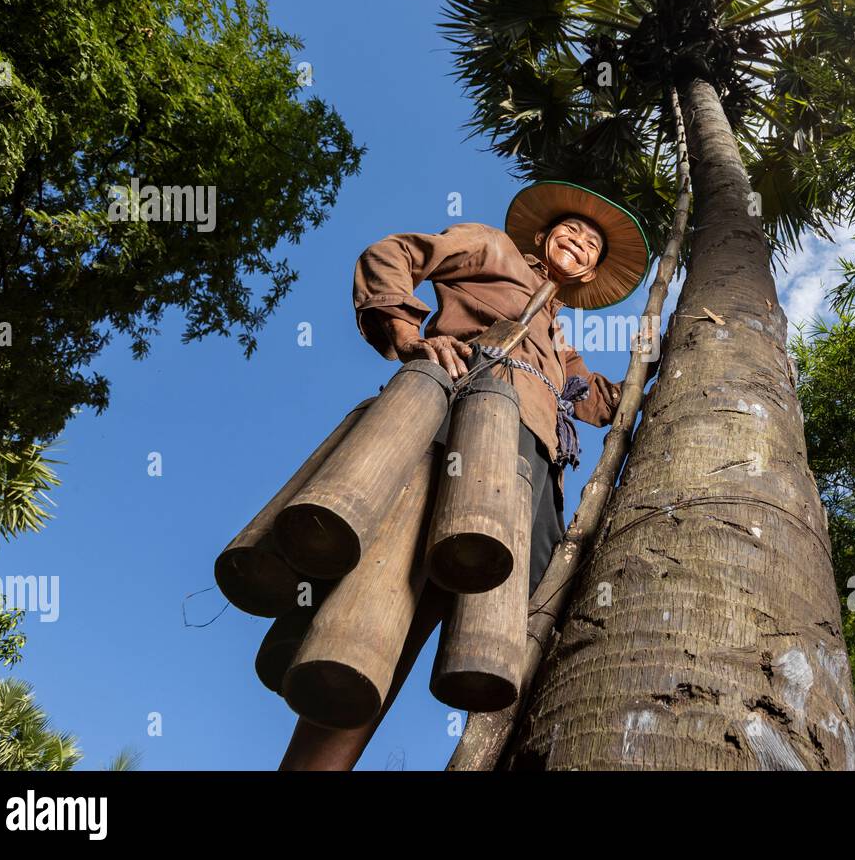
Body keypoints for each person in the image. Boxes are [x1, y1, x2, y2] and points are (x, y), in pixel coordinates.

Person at [279, 180, 655, 769]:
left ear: (589, 275)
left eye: (592, 248)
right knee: (384, 606)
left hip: (528, 474)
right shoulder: (490, 246)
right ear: (542, 235)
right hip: (455, 425)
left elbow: (598, 404)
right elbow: (391, 254)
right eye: (572, 232)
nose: (581, 245)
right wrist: (408, 334)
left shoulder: (560, 340)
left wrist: (657, 355)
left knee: (515, 636)